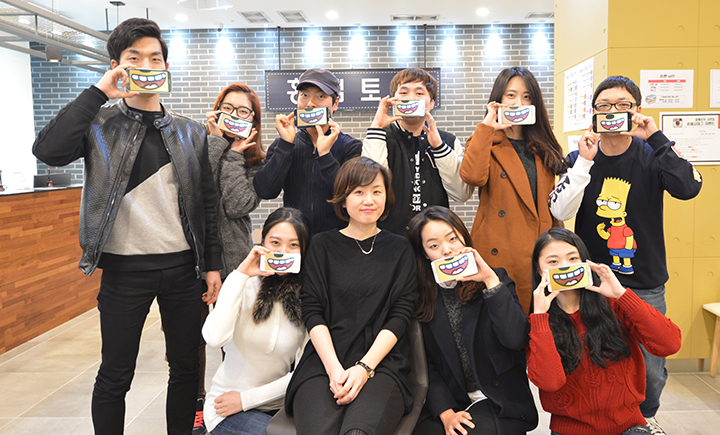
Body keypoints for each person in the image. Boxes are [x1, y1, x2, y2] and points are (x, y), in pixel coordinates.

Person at [32, 18, 223, 435]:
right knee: (115, 373)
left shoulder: (190, 132)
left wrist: (213, 265)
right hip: (124, 271)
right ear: (117, 65)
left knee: (186, 368)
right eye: (134, 58)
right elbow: (48, 150)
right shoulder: (98, 124)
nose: (146, 65)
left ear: (166, 68)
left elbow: (207, 205)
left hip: (183, 270)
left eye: (155, 58)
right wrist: (99, 92)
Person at [548, 76, 702, 434]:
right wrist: (583, 163)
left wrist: (656, 137)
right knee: (594, 361)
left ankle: (644, 418)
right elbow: (560, 209)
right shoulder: (580, 157)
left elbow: (689, 187)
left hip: (644, 281)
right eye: (604, 106)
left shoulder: (652, 153)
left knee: (651, 367)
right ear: (594, 113)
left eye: (622, 105)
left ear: (636, 110)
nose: (612, 111)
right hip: (591, 282)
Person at [284, 156, 418, 435]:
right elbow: (312, 310)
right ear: (343, 200)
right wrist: (334, 370)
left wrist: (364, 368)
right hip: (324, 363)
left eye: (377, 191)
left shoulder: (400, 249)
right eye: (358, 192)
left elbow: (400, 314)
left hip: (383, 364)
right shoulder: (322, 245)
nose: (369, 200)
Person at [527, 228, 682, 435]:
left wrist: (622, 294)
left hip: (629, 427)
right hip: (570, 430)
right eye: (553, 261)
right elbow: (550, 382)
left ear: (585, 262)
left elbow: (670, 344)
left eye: (573, 258)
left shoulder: (614, 304)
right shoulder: (538, 324)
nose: (565, 267)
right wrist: (539, 317)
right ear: (539, 270)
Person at [406, 206, 538, 435]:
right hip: (452, 400)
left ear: (464, 238)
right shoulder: (421, 297)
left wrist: (489, 280)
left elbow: (516, 339)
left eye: (452, 239)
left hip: (499, 400)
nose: (447, 250)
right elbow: (424, 364)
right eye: (434, 246)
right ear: (425, 253)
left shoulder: (496, 279)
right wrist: (446, 413)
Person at [459, 66, 565, 315]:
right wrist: (487, 126)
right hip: (500, 248)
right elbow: (472, 177)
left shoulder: (544, 145)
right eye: (511, 95)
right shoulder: (485, 139)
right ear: (498, 100)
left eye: (527, 97)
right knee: (504, 321)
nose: (519, 103)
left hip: (541, 247)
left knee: (541, 320)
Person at [192, 83, 266, 433]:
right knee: (190, 341)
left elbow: (236, 205)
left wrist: (234, 155)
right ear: (217, 109)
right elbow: (195, 191)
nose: (235, 115)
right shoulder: (198, 144)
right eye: (229, 108)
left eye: (243, 111)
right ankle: (196, 404)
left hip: (235, 261)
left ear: (253, 119)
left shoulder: (256, 160)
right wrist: (215, 142)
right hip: (192, 259)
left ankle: (229, 406)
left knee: (232, 341)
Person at [202, 207, 311, 435]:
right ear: (262, 243)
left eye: (293, 245)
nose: (283, 251)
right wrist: (240, 274)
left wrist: (246, 399)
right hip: (227, 406)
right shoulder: (243, 285)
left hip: (280, 405)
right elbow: (214, 338)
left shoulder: (308, 297)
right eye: (275, 242)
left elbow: (303, 371)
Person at [363, 67, 473, 235]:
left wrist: (439, 148)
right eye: (404, 92)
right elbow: (370, 185)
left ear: (432, 103)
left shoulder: (448, 141)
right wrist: (376, 128)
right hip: (389, 237)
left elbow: (461, 194)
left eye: (419, 93)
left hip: (435, 239)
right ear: (393, 100)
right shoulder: (379, 137)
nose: (411, 98)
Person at [253, 68, 362, 236]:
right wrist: (285, 145)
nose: (310, 103)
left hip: (337, 242)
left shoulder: (351, 147)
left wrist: (325, 155)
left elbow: (351, 197)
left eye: (321, 96)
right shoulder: (284, 144)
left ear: (335, 104)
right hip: (296, 240)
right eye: (304, 95)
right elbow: (265, 191)